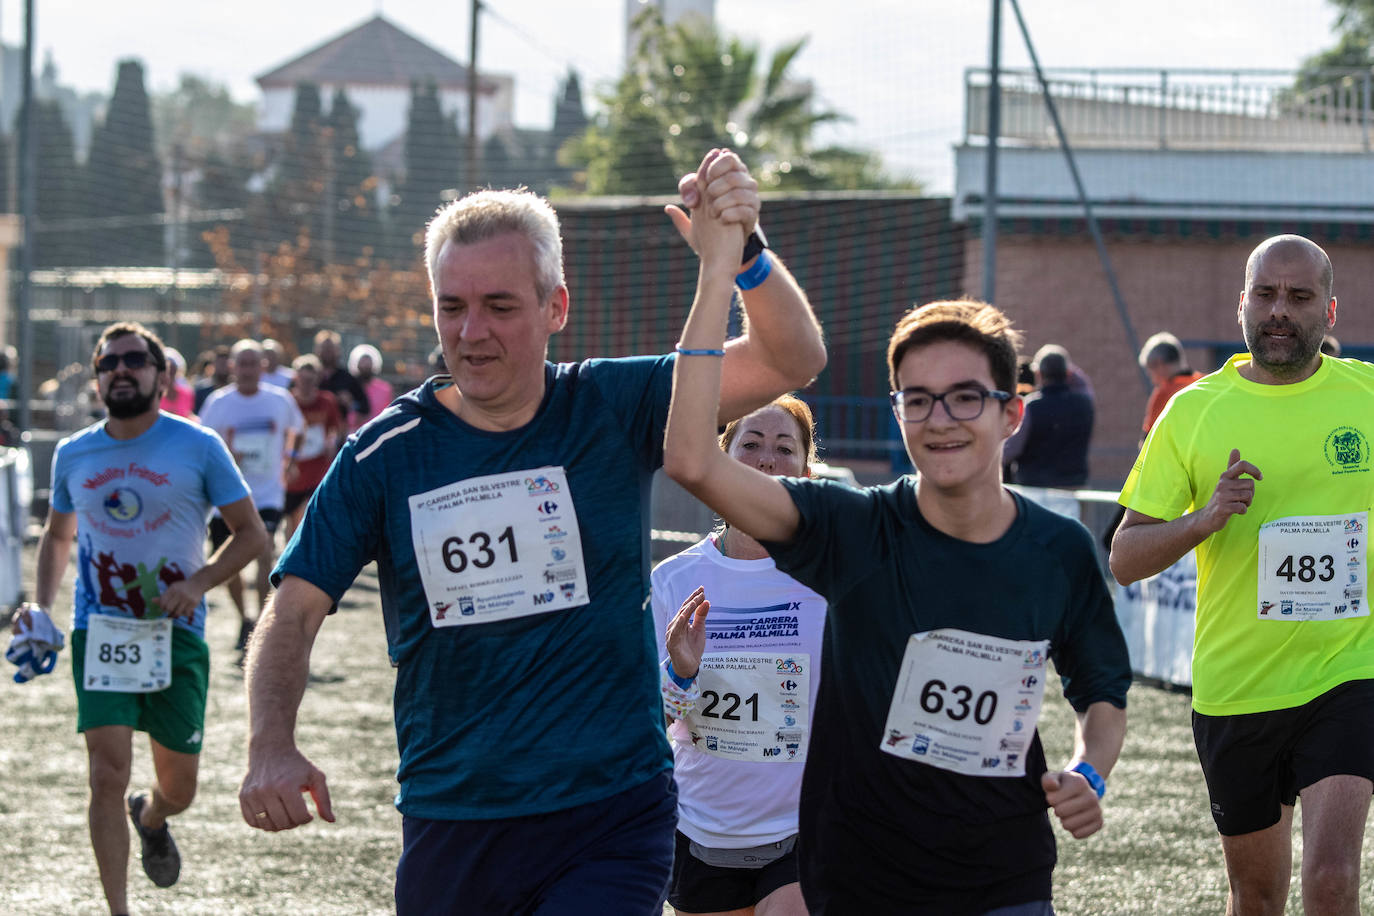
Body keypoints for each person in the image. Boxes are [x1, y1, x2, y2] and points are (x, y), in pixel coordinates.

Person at [237, 148, 826, 915]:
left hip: (612, 813)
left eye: (500, 306)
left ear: (556, 307)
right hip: (455, 814)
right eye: (452, 306)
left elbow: (793, 356)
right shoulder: (384, 454)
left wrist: (744, 254)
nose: (471, 332)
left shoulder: (613, 404)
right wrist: (270, 743)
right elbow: (294, 607)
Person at [663, 248, 1130, 913]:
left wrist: (1090, 771)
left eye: (966, 397)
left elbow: (1102, 691)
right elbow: (689, 460)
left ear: (1012, 413)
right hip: (860, 883)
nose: (940, 419)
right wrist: (726, 272)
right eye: (918, 400)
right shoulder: (851, 529)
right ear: (899, 412)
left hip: (1007, 879)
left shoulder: (1060, 550)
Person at [1111, 234, 1374, 916]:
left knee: (1332, 878)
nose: (1280, 310)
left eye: (1299, 297)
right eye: (1266, 295)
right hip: (1238, 687)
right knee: (1256, 897)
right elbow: (1125, 556)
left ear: (1331, 311)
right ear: (1242, 306)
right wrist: (1202, 521)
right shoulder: (1194, 410)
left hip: (1348, 672)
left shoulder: (1367, 397)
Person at [8, 321, 266, 915]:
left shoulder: (199, 446)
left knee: (180, 788)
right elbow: (57, 534)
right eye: (108, 363)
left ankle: (152, 818)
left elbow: (251, 535)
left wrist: (198, 584)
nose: (120, 370)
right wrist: (40, 608)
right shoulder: (74, 453)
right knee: (106, 772)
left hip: (176, 635)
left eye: (134, 360)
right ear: (97, 378)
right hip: (100, 632)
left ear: (162, 374)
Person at [653, 395, 825, 916]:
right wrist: (680, 673)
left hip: (804, 827)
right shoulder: (672, 581)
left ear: (806, 469)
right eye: (750, 444)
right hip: (700, 824)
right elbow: (646, 721)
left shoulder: (830, 577)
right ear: (722, 459)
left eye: (783, 447)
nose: (767, 459)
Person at [198, 340, 304, 655]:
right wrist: (226, 455)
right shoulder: (219, 403)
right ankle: (244, 616)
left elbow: (297, 429)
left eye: (252, 363)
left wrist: (292, 459)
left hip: (269, 492)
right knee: (228, 564)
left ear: (263, 367)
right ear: (232, 367)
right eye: (240, 363)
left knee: (264, 552)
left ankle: (261, 621)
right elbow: (203, 443)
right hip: (228, 497)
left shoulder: (280, 401)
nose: (246, 370)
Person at [1002, 345, 1095, 488]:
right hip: (1074, 488)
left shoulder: (1031, 406)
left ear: (1038, 373)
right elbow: (1084, 383)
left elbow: (1011, 451)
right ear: (1068, 373)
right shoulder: (1084, 403)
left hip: (1035, 490)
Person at [282, 354, 342, 540]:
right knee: (292, 520)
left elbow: (336, 428)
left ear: (317, 379)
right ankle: (288, 558)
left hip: (319, 468)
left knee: (314, 517)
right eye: (302, 379)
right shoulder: (287, 402)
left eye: (310, 379)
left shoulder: (327, 401)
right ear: (296, 378)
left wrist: (332, 443)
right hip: (294, 470)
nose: (306, 384)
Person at [1137, 331, 1202, 437]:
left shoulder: (1163, 394)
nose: (1150, 377)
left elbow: (1148, 440)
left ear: (1159, 364)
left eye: (1150, 370)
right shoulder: (1206, 382)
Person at [313, 330, 367, 430]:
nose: (327, 352)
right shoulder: (309, 376)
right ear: (317, 350)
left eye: (331, 349)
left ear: (338, 350)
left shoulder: (347, 378)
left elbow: (364, 408)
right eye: (324, 348)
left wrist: (351, 403)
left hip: (338, 433)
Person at [347, 343, 393, 429]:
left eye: (368, 362)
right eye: (362, 362)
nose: (365, 365)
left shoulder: (385, 389)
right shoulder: (349, 387)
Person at [191, 346, 230, 415]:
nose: (222, 368)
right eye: (220, 363)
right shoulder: (202, 390)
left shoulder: (235, 389)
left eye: (225, 364)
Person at [159, 347, 196, 419]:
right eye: (167, 371)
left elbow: (188, 416)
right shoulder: (154, 395)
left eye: (173, 371)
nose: (169, 374)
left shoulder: (187, 394)